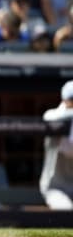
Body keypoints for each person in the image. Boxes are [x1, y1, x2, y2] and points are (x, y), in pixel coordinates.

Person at [41, 80, 73, 209]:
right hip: (56, 188)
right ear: (65, 100)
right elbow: (49, 118)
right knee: (68, 212)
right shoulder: (53, 115)